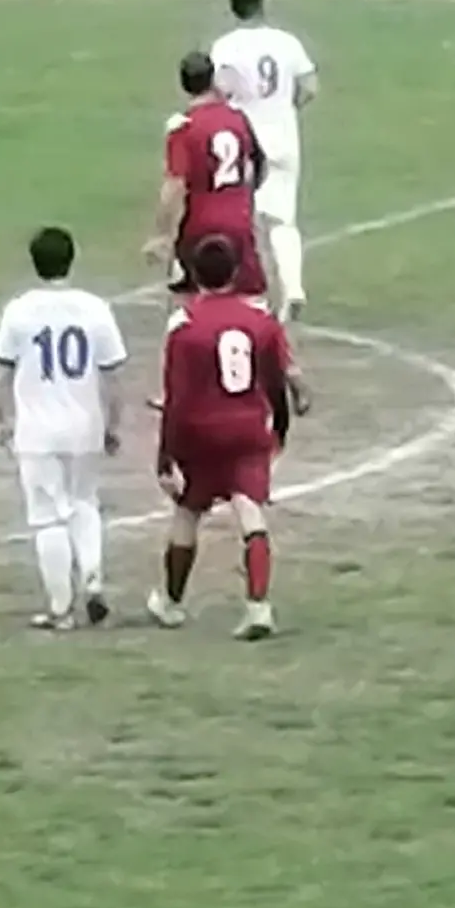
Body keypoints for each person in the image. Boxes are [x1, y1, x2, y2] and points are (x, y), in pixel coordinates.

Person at [147, 232, 294, 640]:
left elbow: (176, 397)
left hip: (199, 432)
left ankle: (172, 603)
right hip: (247, 428)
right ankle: (258, 606)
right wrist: (279, 428)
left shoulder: (184, 325)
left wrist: (165, 455)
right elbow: (275, 381)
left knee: (188, 513)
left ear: (193, 273)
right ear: (235, 272)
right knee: (250, 512)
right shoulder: (261, 321)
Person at [0, 226, 126, 630]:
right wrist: (113, 424)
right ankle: (92, 576)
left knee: (48, 518)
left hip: (37, 429)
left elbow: (5, 374)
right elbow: (112, 377)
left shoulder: (18, 310)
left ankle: (60, 608)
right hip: (85, 424)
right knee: (85, 502)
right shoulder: (95, 308)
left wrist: (4, 421)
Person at [210, 0, 318, 324]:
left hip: (244, 139)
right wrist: (287, 110)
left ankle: (247, 290)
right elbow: (310, 87)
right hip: (284, 136)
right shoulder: (286, 42)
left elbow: (219, 91)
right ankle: (294, 287)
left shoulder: (225, 46)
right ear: (262, 3)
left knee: (242, 216)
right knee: (283, 219)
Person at [147, 49, 267, 299]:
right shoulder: (237, 118)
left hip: (200, 226)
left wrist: (161, 234)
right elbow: (257, 167)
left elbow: (175, 185)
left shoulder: (183, 127)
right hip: (239, 223)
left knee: (192, 304)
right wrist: (243, 201)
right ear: (212, 78)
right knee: (249, 300)